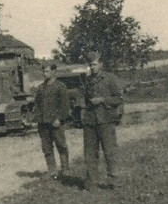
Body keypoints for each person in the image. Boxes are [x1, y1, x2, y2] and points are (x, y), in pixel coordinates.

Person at [81, 51, 125, 189]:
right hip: (90, 121)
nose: (92, 67)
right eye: (90, 65)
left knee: (109, 151)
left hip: (106, 120)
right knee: (90, 153)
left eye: (94, 64)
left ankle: (114, 180)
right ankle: (92, 182)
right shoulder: (87, 80)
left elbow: (119, 98)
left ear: (100, 64)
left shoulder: (110, 78)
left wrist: (102, 100)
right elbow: (82, 97)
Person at [32, 63, 72, 178]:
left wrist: (59, 119)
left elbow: (65, 105)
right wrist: (38, 120)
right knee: (47, 148)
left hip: (56, 123)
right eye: (43, 71)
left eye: (47, 71)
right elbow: (37, 104)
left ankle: (65, 169)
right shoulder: (41, 87)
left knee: (61, 146)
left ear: (54, 72)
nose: (44, 74)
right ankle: (52, 170)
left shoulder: (60, 86)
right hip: (43, 123)